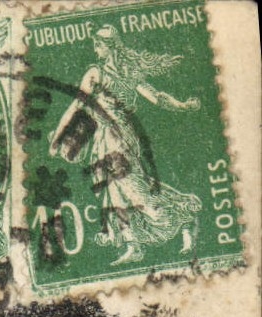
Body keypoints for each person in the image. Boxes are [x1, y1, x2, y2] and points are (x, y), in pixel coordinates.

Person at [48, 24, 202, 265]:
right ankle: (133, 245)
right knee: (116, 192)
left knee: (135, 192)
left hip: (119, 141)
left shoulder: (99, 74)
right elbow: (157, 98)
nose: (95, 50)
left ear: (108, 47)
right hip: (109, 138)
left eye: (98, 45)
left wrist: (57, 139)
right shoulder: (122, 72)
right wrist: (182, 105)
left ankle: (183, 218)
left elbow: (75, 107)